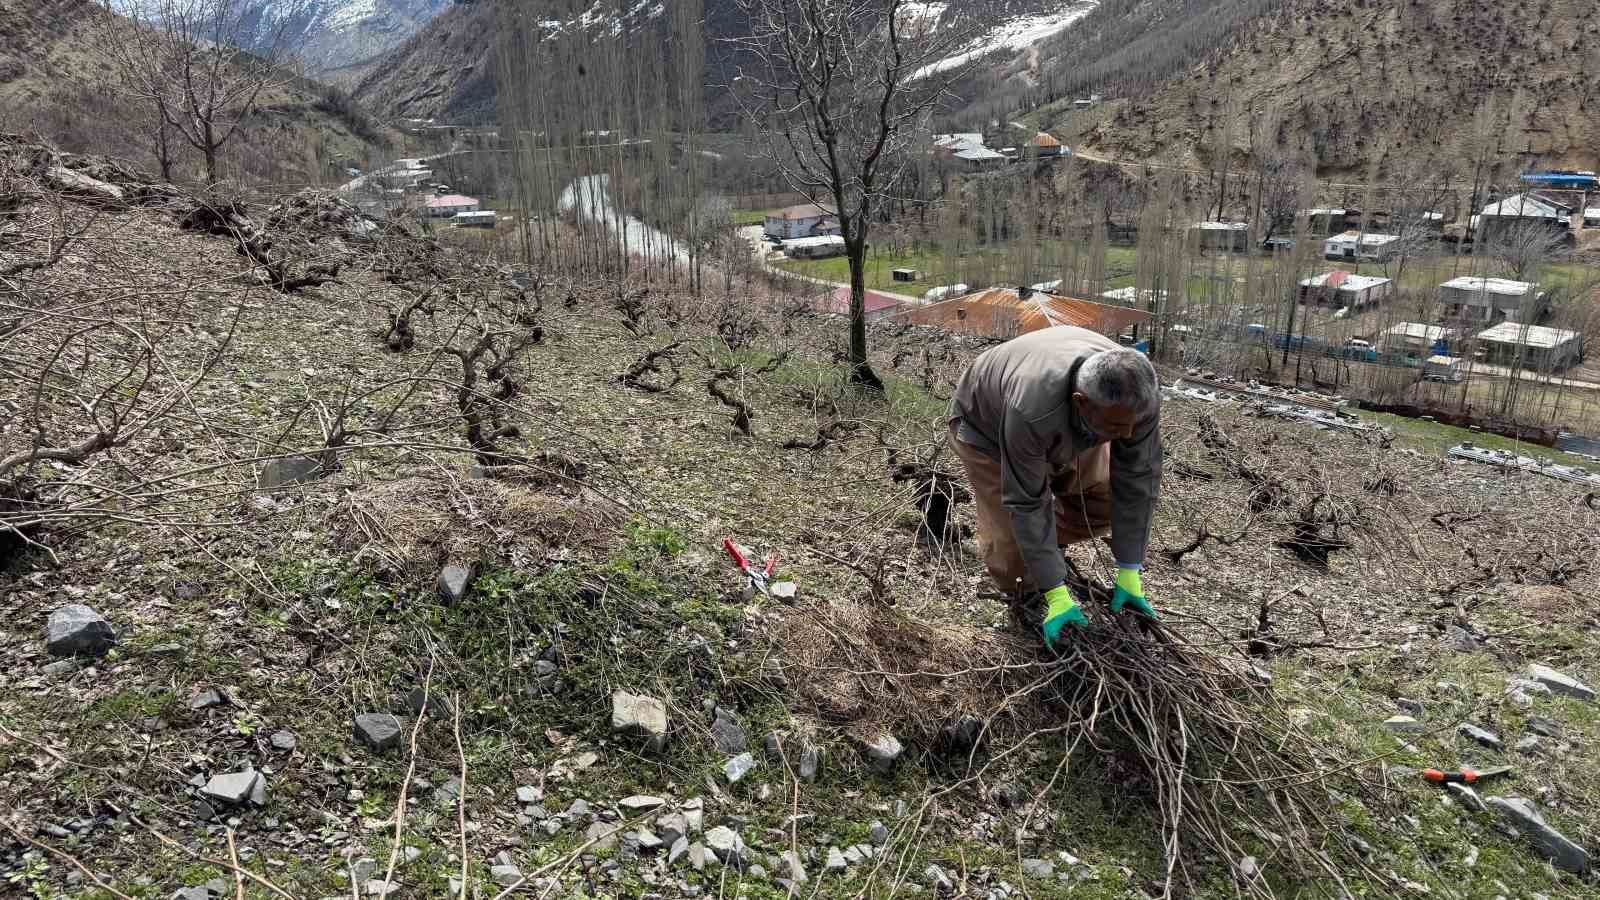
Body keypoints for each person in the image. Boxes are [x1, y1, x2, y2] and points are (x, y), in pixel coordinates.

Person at [947, 326, 1162, 648]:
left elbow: (1138, 477)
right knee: (1013, 536)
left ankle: (1041, 547)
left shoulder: (1136, 400)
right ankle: (1029, 597)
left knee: (1103, 501)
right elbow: (1025, 501)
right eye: (1118, 426)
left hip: (1078, 425)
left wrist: (1130, 569)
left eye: (1135, 423)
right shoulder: (1031, 408)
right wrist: (1056, 593)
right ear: (1081, 402)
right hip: (987, 428)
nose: (1130, 432)